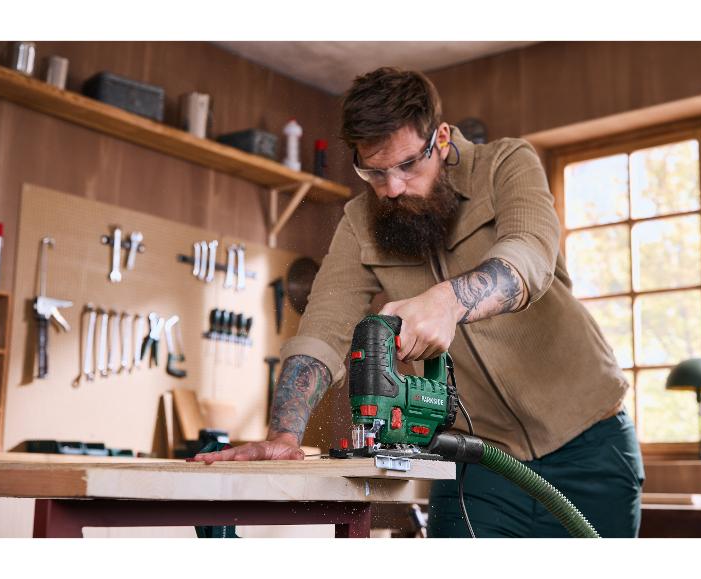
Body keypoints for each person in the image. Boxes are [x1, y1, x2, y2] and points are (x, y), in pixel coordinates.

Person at [189, 67, 645, 538]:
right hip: (478, 460)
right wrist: (284, 435)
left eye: (408, 165)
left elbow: (529, 256)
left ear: (440, 139)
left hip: (590, 446)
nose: (392, 188)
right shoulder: (360, 222)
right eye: (374, 170)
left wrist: (448, 302)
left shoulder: (506, 164)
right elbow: (323, 327)